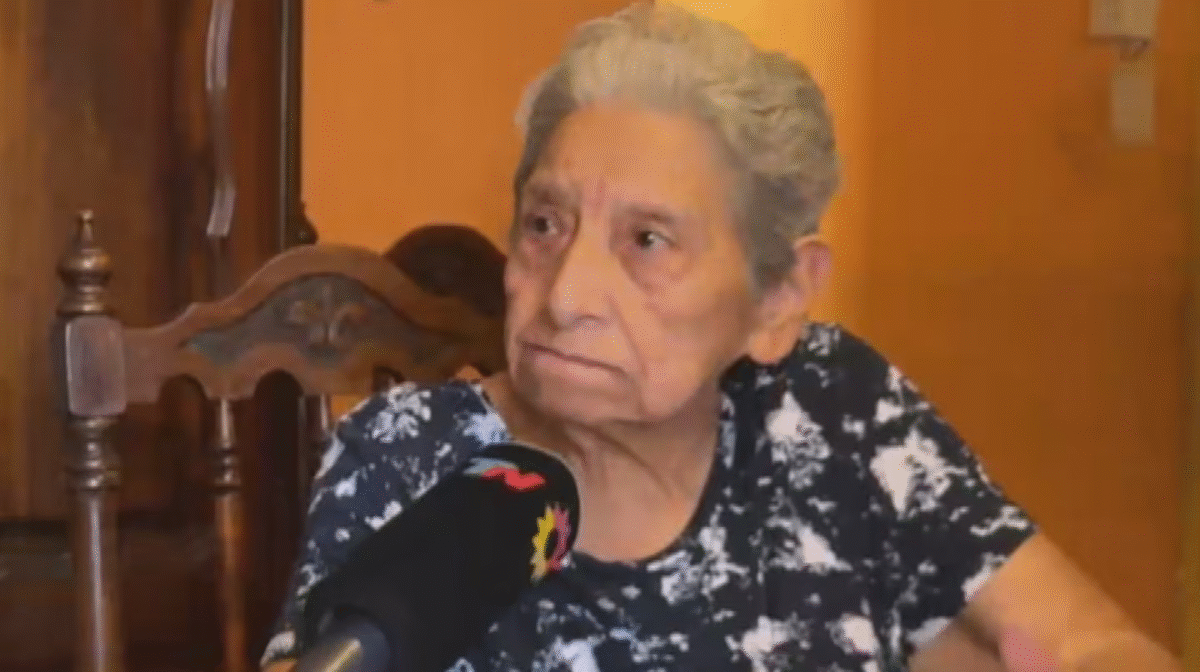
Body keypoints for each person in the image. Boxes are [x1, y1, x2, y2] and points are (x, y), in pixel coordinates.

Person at [261, 3, 1182, 671]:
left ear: (778, 299)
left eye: (646, 241)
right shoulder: (406, 456)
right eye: (544, 224)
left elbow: (1088, 641)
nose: (566, 294)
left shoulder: (834, 409)